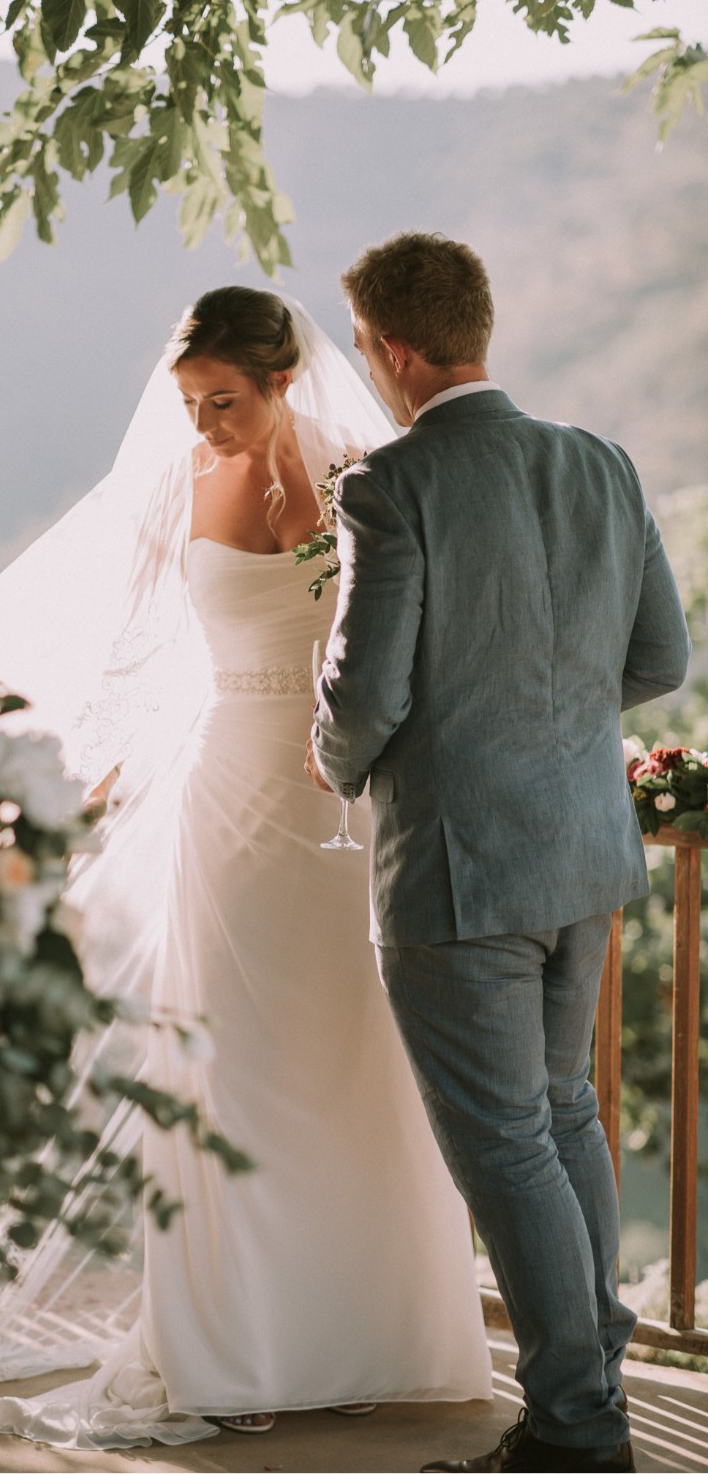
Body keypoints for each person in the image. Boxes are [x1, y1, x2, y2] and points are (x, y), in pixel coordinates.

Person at [0, 288, 492, 1445]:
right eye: (188, 405)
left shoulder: (373, 478)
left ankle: (386, 1334)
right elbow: (123, 647)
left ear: (284, 381)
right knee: (229, 1058)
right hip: (228, 796)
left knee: (360, 1059)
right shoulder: (175, 487)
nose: (205, 427)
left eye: (223, 402)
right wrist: (81, 773)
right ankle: (235, 1341)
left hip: (355, 807)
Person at [307, 233, 691, 1474]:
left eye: (363, 348)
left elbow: (362, 699)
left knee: (507, 1145)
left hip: (458, 869)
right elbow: (659, 662)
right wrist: (552, 723)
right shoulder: (600, 461)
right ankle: (593, 1380)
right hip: (587, 847)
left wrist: (330, 762)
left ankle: (577, 1428)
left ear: (396, 350)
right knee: (563, 1113)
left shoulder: (389, 484)